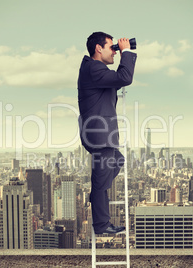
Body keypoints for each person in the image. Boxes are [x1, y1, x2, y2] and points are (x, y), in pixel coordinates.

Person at [77, 32, 137, 234]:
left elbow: (118, 80)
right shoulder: (94, 68)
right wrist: (126, 51)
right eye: (111, 47)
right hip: (100, 135)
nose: (114, 51)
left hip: (101, 135)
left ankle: (97, 192)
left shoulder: (94, 70)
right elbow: (125, 78)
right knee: (101, 181)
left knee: (117, 161)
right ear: (98, 48)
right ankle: (102, 225)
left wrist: (123, 54)